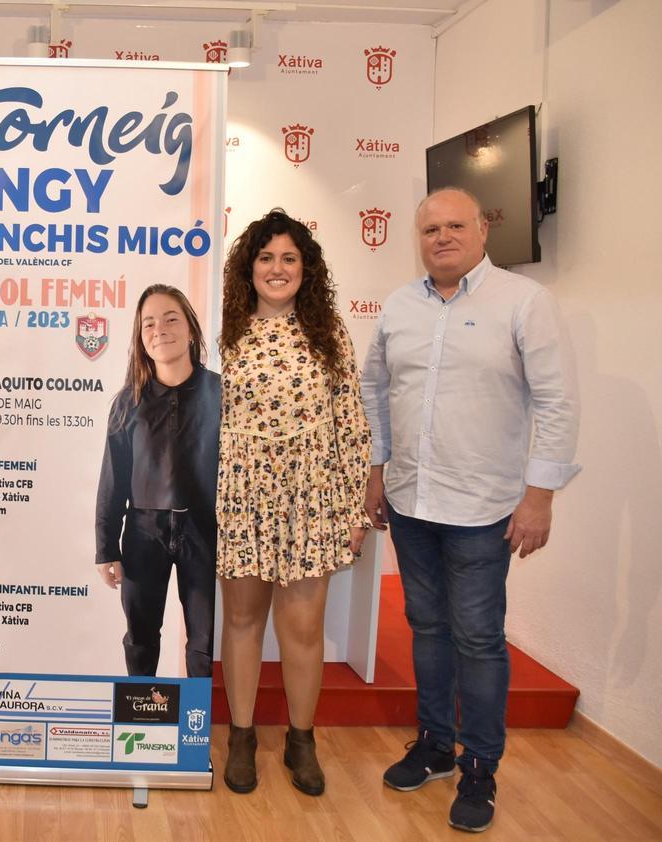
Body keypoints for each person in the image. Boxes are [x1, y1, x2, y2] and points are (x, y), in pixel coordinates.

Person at [360, 187, 580, 833]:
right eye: (431, 229)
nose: (443, 238)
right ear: (419, 239)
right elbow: (375, 389)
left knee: (479, 638)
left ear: (482, 230)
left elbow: (557, 402)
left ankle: (480, 767)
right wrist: (376, 470)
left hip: (485, 509)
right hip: (410, 501)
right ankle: (435, 745)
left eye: (455, 226)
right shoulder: (399, 306)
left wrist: (540, 495)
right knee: (427, 627)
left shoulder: (524, 301)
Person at [217, 210, 370, 797]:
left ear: (307, 269)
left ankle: (302, 741)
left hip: (312, 497)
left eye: (289, 258)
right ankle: (242, 737)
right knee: (242, 620)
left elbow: (351, 422)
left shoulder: (329, 331)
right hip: (241, 496)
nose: (276, 268)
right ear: (248, 267)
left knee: (303, 627)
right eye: (265, 257)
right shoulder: (225, 332)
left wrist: (353, 510)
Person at [94, 284, 220, 678]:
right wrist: (105, 546)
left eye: (170, 319)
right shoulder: (128, 401)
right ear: (140, 336)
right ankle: (141, 713)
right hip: (143, 533)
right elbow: (112, 479)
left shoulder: (220, 394)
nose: (159, 329)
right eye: (148, 323)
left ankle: (195, 717)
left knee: (203, 643)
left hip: (205, 532)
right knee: (140, 638)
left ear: (190, 329)